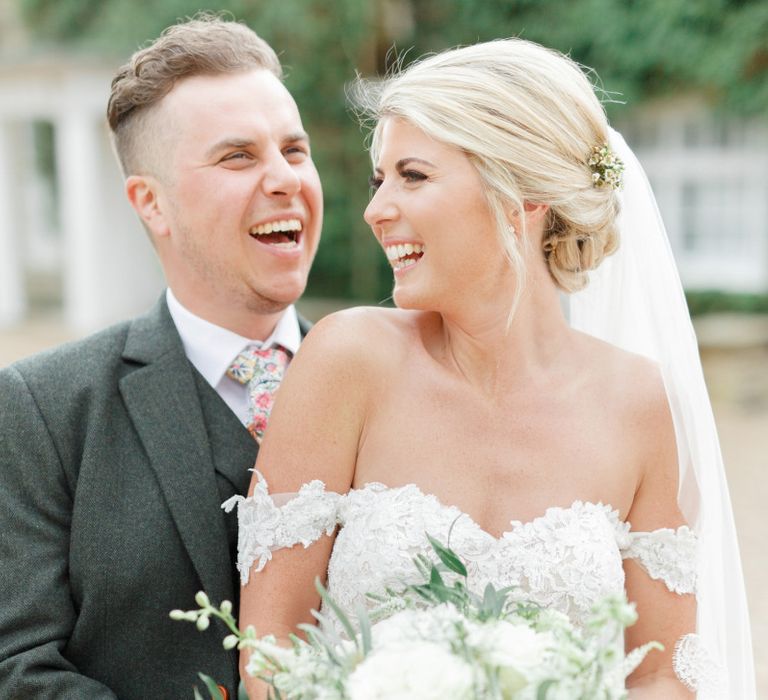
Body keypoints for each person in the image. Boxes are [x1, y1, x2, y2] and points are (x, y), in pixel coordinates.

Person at [229, 39, 754, 698]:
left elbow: (662, 673)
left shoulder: (642, 405)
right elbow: (269, 650)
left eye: (413, 176)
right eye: (379, 178)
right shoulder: (346, 361)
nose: (375, 209)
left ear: (524, 193)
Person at [0, 14, 322, 699]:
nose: (283, 178)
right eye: (238, 156)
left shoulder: (400, 381)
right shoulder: (42, 408)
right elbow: (18, 665)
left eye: (294, 150)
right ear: (152, 203)